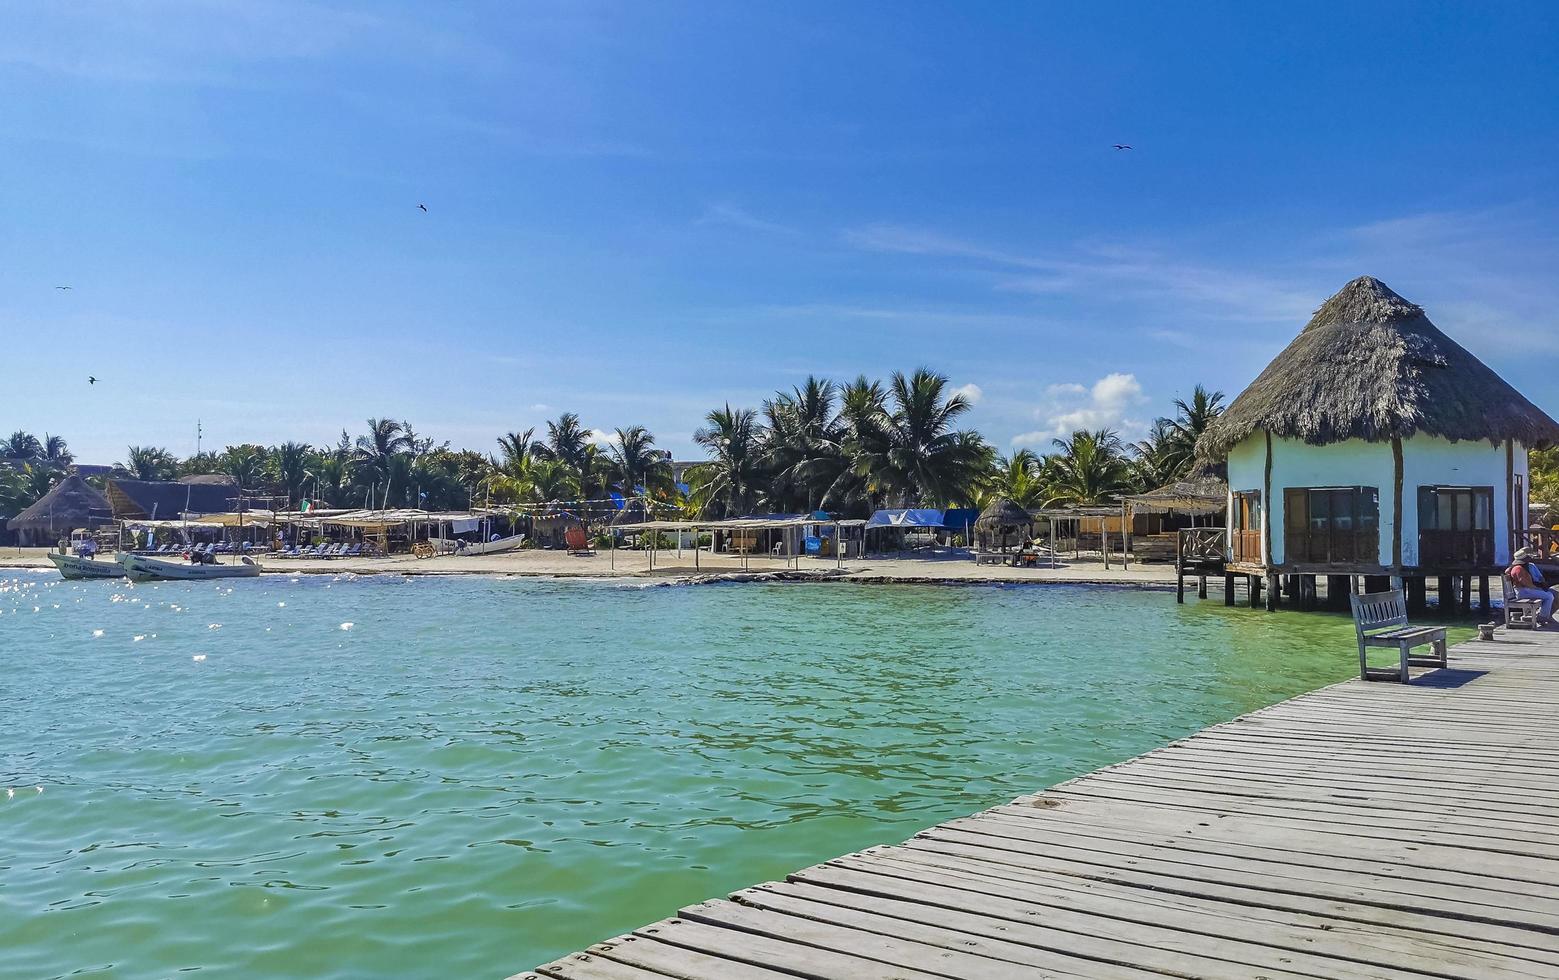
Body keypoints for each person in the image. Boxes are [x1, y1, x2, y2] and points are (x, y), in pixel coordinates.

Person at [1508, 547, 1557, 626]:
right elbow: (1526, 584)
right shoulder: (1519, 569)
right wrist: (1538, 589)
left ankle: (1542, 615)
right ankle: (1542, 616)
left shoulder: (1518, 567)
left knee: (1549, 595)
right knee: (1549, 596)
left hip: (1525, 590)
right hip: (1523, 591)